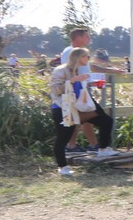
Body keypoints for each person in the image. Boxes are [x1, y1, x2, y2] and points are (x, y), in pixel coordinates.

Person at [49, 47, 118, 175]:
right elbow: (55, 90)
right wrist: (73, 80)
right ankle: (62, 167)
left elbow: (78, 87)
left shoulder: (79, 70)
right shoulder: (61, 70)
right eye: (87, 56)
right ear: (79, 57)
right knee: (63, 137)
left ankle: (103, 148)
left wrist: (92, 84)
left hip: (79, 106)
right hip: (63, 107)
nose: (89, 59)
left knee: (106, 121)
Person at [59, 28, 121, 154]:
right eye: (86, 36)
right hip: (76, 92)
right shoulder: (71, 52)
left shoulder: (77, 52)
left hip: (77, 91)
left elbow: (88, 67)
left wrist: (108, 72)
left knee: (79, 119)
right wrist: (87, 82)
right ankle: (100, 148)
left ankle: (79, 146)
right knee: (102, 119)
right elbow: (72, 72)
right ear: (78, 37)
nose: (89, 39)